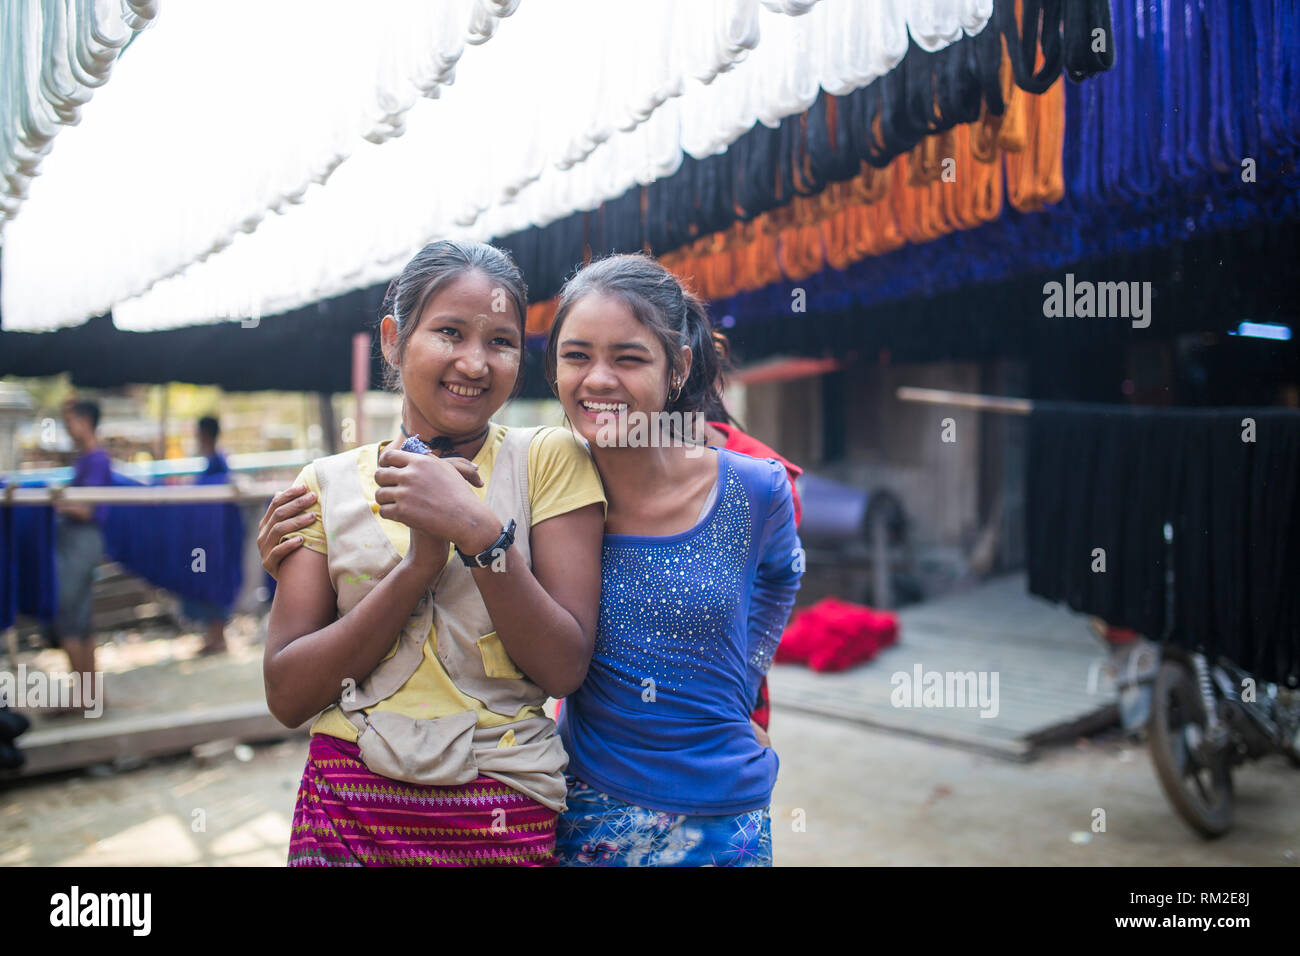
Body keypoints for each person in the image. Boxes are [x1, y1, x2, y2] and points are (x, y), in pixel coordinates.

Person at [263, 239, 605, 866]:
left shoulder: (549, 462)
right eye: (450, 332)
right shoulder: (326, 484)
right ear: (394, 340)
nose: (475, 363)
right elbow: (287, 695)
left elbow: (562, 668)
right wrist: (418, 567)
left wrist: (479, 535)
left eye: (500, 342)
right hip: (348, 811)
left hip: (502, 807)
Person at [544, 254, 801, 866]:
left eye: (628, 358)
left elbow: (782, 575)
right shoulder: (543, 492)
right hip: (585, 812)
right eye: (576, 356)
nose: (597, 380)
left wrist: (743, 686)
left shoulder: (753, 489)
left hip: (725, 818)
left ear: (678, 366)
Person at [48, 399, 114, 714]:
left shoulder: (96, 459)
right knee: (81, 617)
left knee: (68, 615)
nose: (67, 427)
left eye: (71, 420)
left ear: (85, 421)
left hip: (80, 544)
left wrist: (55, 501)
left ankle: (84, 695)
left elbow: (87, 509)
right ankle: (90, 694)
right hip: (80, 544)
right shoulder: (89, 459)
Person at [184, 415, 233, 655]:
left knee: (214, 583)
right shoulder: (212, 465)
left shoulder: (218, 466)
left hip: (215, 539)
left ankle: (218, 637)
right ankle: (212, 636)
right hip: (207, 539)